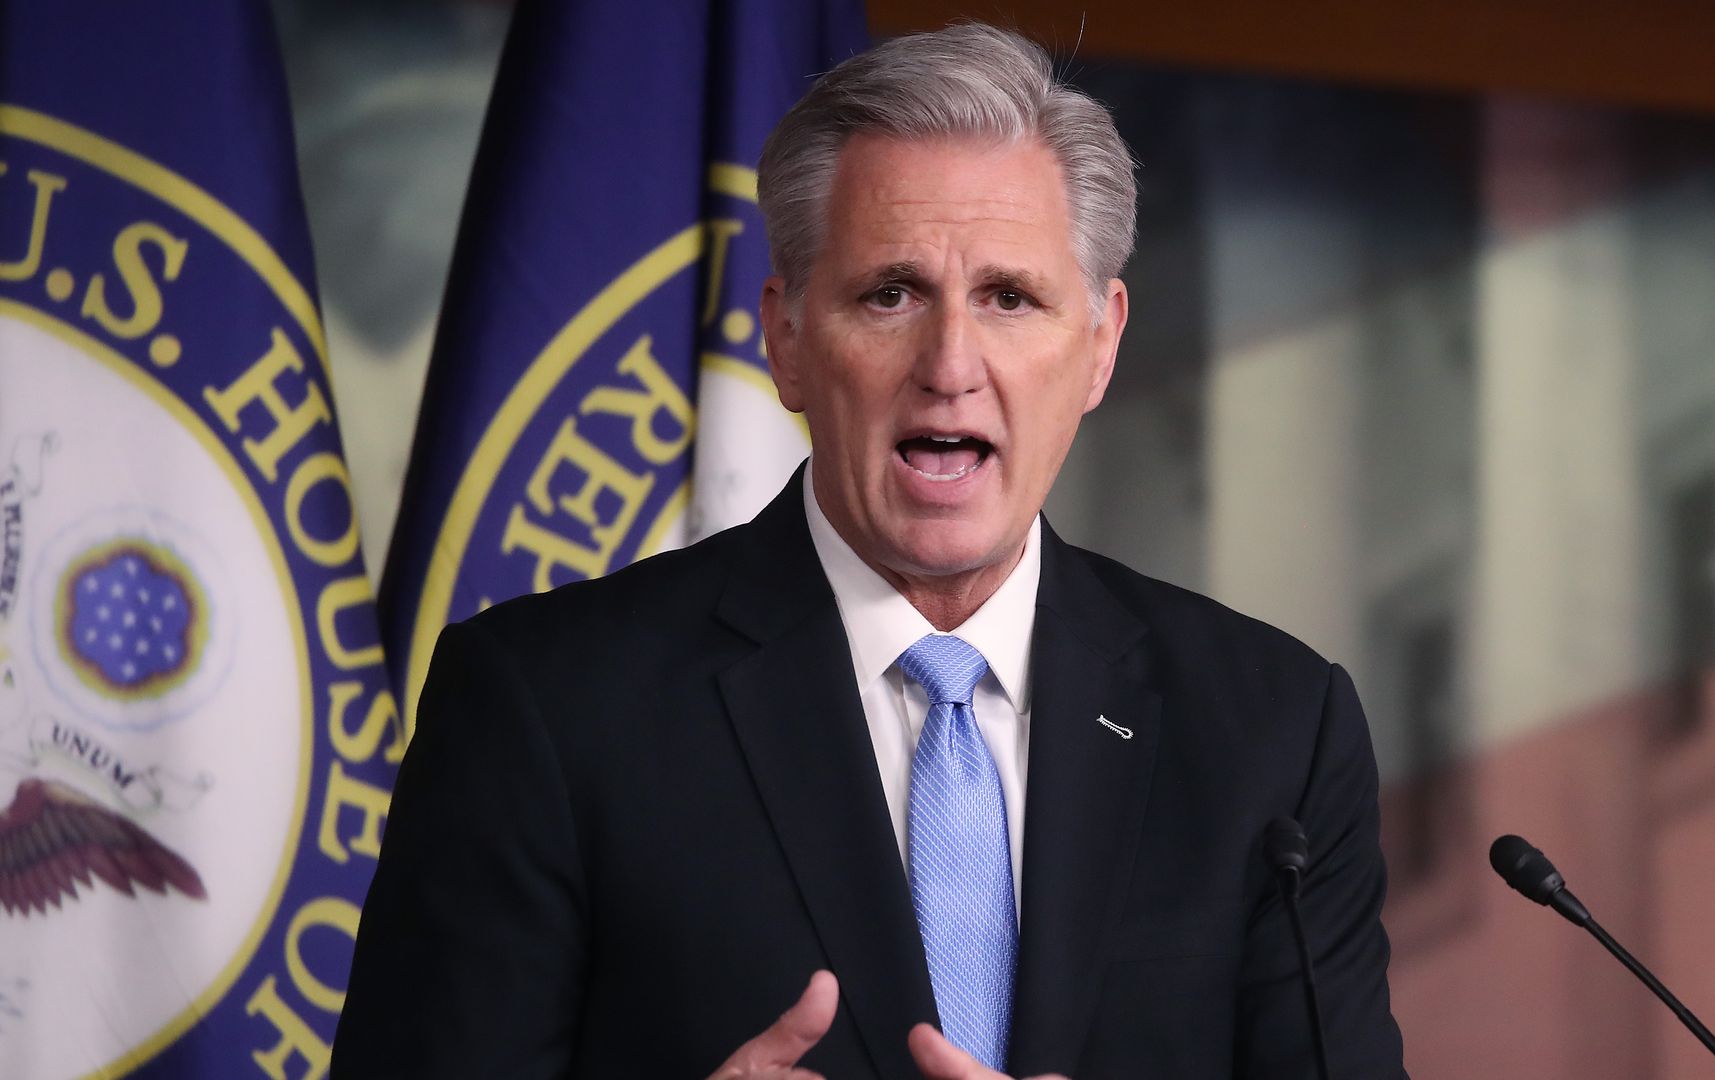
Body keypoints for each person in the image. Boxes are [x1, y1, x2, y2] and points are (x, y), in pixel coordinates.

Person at [333, 23, 1405, 1080]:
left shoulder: (1272, 733)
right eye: (889, 294)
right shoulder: (546, 713)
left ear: (1099, 346)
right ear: (788, 342)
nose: (950, 364)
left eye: (1010, 298)